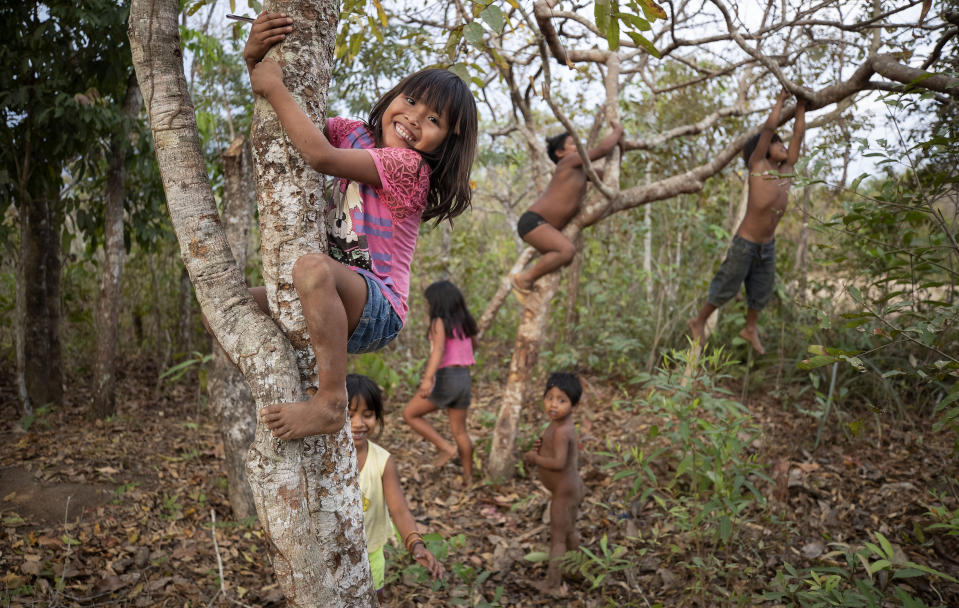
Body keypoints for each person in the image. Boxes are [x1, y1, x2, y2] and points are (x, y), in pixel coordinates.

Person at [243, 13, 478, 439]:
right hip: (329, 295)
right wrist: (254, 59)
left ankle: (332, 401)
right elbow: (287, 128)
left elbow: (319, 156)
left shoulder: (411, 168)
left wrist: (273, 85)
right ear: (394, 95)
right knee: (229, 305)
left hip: (377, 305)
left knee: (310, 268)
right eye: (411, 102)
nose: (413, 119)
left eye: (433, 121)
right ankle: (278, 381)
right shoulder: (353, 133)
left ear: (446, 142)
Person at [688, 88, 806, 354]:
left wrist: (801, 106)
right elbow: (767, 130)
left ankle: (750, 328)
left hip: (768, 245)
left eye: (782, 143)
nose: (783, 145)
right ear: (763, 151)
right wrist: (780, 100)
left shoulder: (786, 171)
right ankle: (699, 320)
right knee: (727, 285)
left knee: (762, 290)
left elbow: (798, 135)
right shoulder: (758, 167)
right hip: (746, 242)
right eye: (777, 144)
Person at [346, 374, 444, 592]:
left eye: (368, 415)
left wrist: (416, 545)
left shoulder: (382, 461)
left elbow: (399, 511)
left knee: (373, 599)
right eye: (349, 415)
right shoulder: (321, 458)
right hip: (329, 559)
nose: (358, 424)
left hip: (369, 555)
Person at [509, 121, 624, 301]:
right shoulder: (567, 163)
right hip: (533, 221)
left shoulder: (583, 172)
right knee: (566, 251)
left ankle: (528, 280)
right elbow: (602, 150)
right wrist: (618, 131)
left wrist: (620, 148)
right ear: (560, 153)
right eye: (572, 144)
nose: (578, 146)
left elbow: (610, 176)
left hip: (544, 225)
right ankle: (524, 279)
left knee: (566, 256)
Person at [402, 280, 478, 486]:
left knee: (410, 413)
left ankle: (445, 447)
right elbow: (473, 345)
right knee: (460, 432)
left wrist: (428, 379)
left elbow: (438, 351)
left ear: (437, 303)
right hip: (464, 378)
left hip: (447, 377)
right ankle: (468, 478)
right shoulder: (464, 322)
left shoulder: (438, 322)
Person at [523, 372, 586, 594]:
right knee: (569, 531)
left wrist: (534, 458)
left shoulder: (561, 430)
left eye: (562, 400)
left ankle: (552, 584)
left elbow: (559, 463)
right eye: (549, 397)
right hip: (570, 488)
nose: (553, 404)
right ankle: (576, 570)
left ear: (574, 406)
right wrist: (540, 446)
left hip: (564, 491)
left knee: (558, 539)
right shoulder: (559, 424)